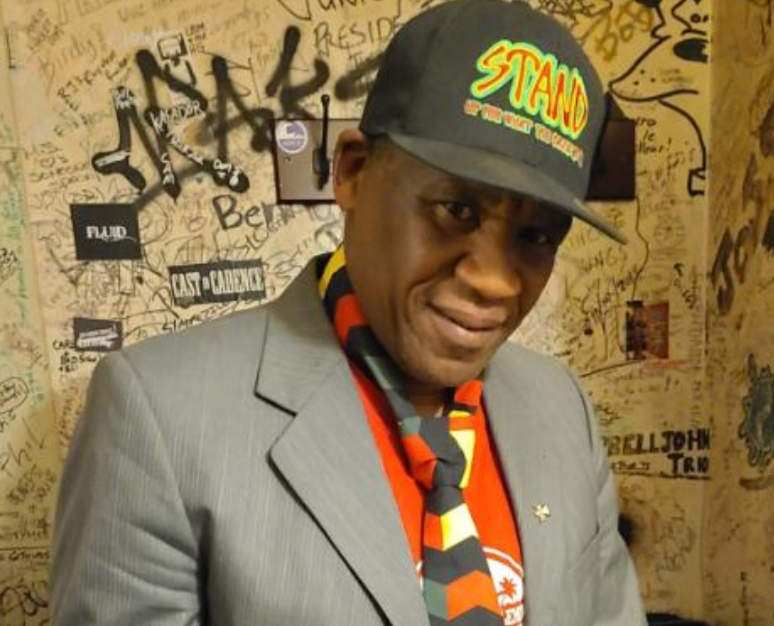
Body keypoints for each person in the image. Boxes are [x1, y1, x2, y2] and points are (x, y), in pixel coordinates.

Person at [50, 1, 647, 624]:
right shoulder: (161, 416)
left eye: (537, 236)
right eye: (457, 210)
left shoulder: (560, 406)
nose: (494, 281)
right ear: (354, 172)